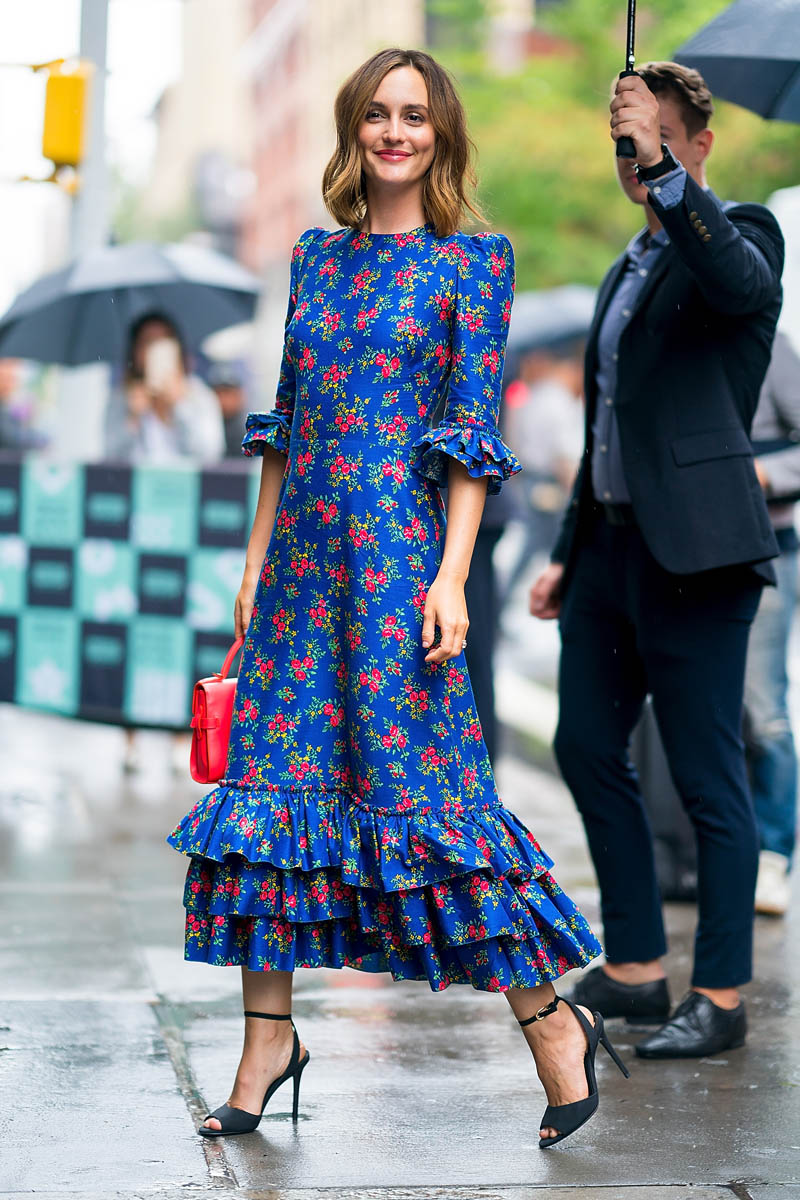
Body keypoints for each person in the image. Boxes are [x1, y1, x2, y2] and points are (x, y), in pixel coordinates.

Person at [168, 48, 624, 1148]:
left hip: (394, 566)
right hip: (298, 570)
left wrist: (452, 575)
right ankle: (267, 1038)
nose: (393, 131)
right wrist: (251, 559)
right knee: (271, 802)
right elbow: (283, 422)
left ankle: (553, 1027)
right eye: (376, 113)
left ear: (439, 134)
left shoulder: (472, 261)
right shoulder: (315, 259)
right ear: (354, 128)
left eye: (413, 115)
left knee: (432, 806)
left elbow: (472, 440)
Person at [530, 62, 784, 1059]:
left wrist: (665, 171)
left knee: (703, 776)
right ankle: (634, 969)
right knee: (583, 746)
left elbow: (736, 282)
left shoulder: (740, 234)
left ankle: (718, 995)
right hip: (605, 553)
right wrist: (564, 550)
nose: (631, 158)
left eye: (654, 138)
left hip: (698, 557)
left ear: (697, 146)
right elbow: (604, 426)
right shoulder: (621, 269)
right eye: (622, 143)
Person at [747, 330, 800, 914]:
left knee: (764, 713)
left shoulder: (768, 344)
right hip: (684, 552)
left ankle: (774, 855)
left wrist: (759, 475)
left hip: (767, 544)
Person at [104, 313, 225, 464]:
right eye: (148, 342)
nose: (155, 349)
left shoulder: (198, 394)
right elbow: (110, 457)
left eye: (163, 341)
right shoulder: (121, 396)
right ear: (135, 352)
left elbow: (209, 455)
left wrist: (180, 406)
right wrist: (132, 419)